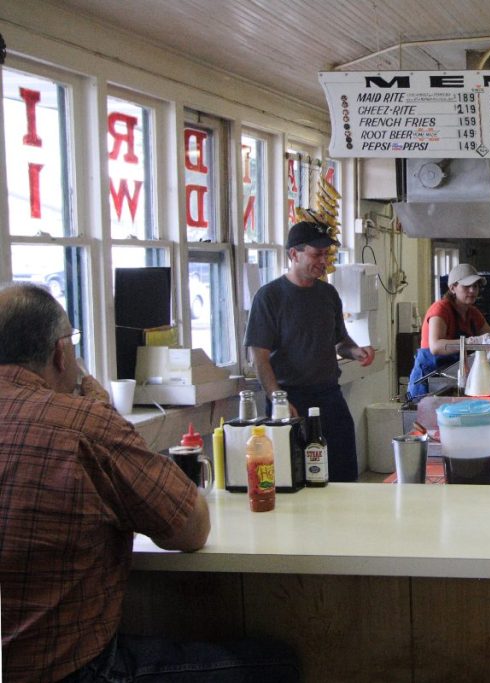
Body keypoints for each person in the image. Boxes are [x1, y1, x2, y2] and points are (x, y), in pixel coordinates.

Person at [0, 282, 299, 682]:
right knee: (276, 663)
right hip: (70, 669)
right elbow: (190, 528)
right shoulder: (82, 424)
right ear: (60, 353)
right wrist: (101, 409)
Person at [244, 221, 375, 483]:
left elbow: (340, 341)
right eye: (317, 254)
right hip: (290, 399)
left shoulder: (328, 294)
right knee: (294, 476)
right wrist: (278, 399)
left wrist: (356, 351)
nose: (323, 261)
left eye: (326, 254)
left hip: (329, 395)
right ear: (294, 254)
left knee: (342, 470)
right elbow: (259, 358)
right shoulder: (269, 297)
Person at [407, 263, 490, 399]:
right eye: (467, 286)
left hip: (454, 379)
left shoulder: (473, 313)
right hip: (428, 381)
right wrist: (471, 342)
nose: (473, 290)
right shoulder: (441, 309)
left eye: (476, 286)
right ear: (452, 288)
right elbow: (435, 347)